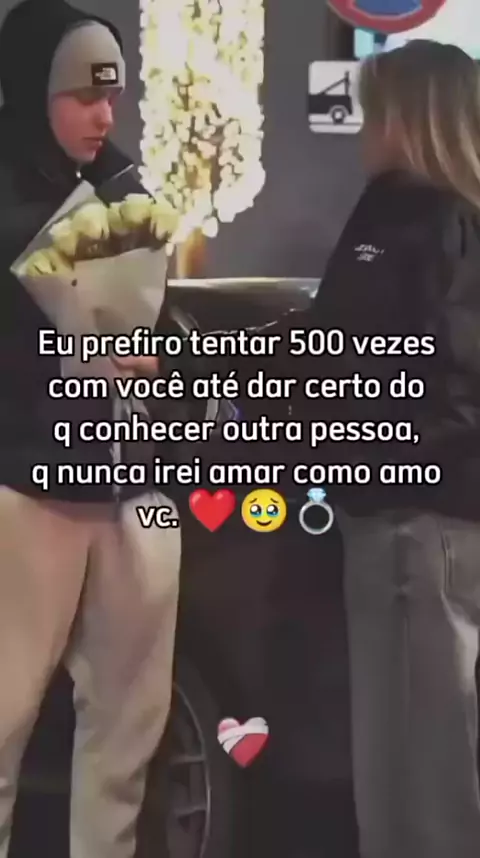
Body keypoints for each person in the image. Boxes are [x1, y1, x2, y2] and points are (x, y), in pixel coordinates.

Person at [209, 39, 480, 858]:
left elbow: (420, 373)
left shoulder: (423, 221)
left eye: (373, 113)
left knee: (424, 762)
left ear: (409, 119)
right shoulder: (414, 217)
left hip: (417, 522)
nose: (363, 130)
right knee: (409, 755)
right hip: (409, 517)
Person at [0, 2, 180, 858]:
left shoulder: (126, 187)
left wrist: (156, 365)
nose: (104, 114)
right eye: (82, 95)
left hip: (133, 486)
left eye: (112, 94)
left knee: (129, 728)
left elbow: (158, 322)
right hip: (27, 484)